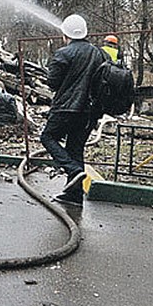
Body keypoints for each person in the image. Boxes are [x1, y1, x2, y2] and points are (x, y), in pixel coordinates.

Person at [40, 13, 106, 206]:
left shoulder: (63, 54)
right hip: (89, 112)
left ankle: (72, 170)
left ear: (65, 35)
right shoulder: (99, 53)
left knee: (47, 137)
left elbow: (52, 83)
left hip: (66, 108)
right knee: (75, 149)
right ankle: (74, 196)